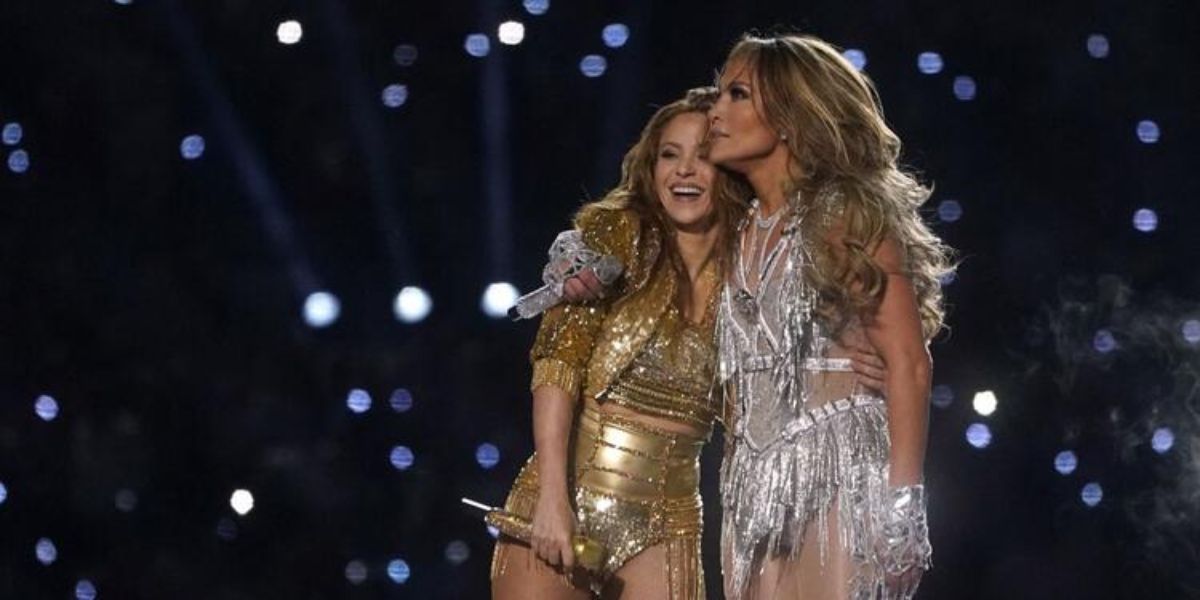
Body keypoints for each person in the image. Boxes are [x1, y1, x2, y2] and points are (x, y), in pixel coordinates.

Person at [706, 33, 955, 599]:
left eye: (737, 94)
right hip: (751, 495)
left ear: (790, 117)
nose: (715, 111)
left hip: (837, 473)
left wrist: (903, 512)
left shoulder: (843, 213)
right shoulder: (733, 231)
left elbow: (910, 363)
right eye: (718, 94)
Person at [490, 87, 750, 600]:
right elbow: (557, 365)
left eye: (702, 156)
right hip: (568, 489)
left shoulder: (754, 268)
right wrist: (552, 500)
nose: (683, 171)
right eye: (669, 155)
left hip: (670, 517)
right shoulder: (617, 237)